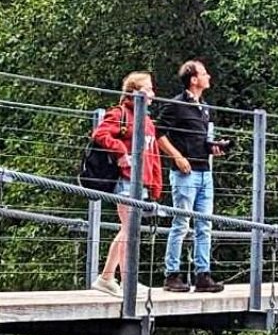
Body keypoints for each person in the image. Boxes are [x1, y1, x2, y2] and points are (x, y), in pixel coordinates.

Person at [90, 71, 163, 296]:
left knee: (127, 229)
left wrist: (155, 184)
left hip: (140, 182)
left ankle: (109, 277)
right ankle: (121, 279)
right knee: (129, 229)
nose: (152, 93)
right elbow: (100, 134)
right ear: (134, 92)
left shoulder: (148, 121)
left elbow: (153, 155)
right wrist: (121, 152)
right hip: (125, 180)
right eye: (148, 88)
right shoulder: (120, 113)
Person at [156, 59, 224, 293]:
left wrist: (213, 147)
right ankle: (172, 274)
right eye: (204, 74)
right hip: (185, 173)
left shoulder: (205, 107)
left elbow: (202, 141)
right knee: (182, 223)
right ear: (193, 79)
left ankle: (202, 275)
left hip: (205, 171)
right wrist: (177, 157)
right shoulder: (175, 105)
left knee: (205, 225)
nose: (208, 77)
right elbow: (159, 134)